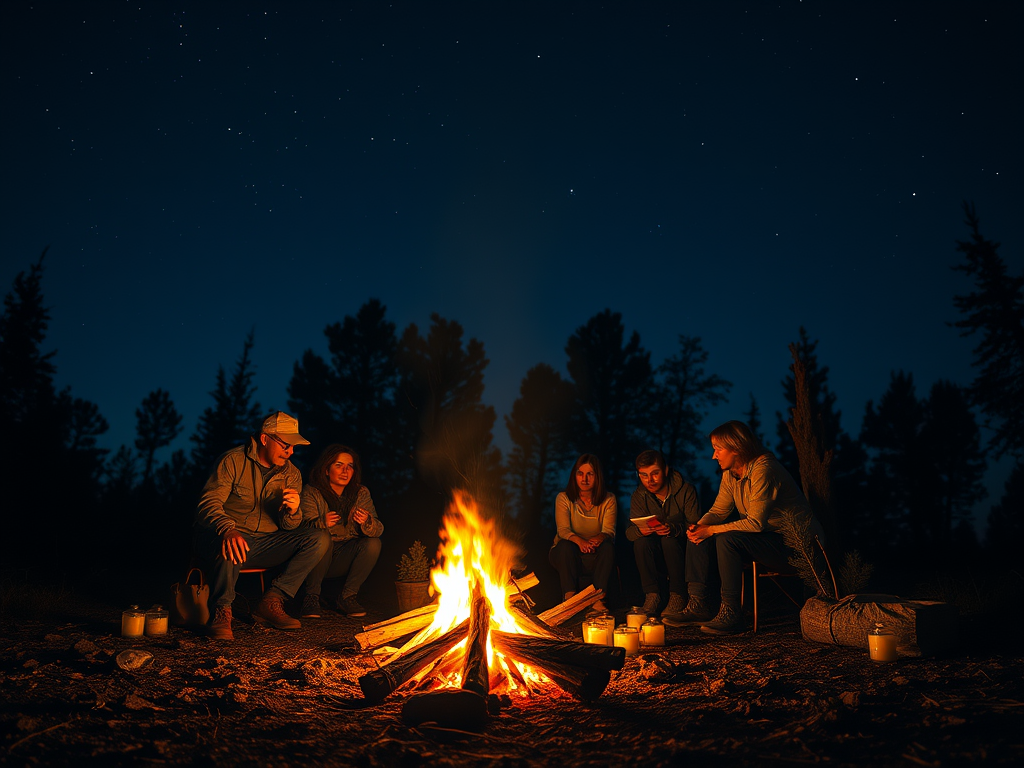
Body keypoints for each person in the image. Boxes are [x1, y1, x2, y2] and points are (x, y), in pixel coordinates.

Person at [194, 411, 331, 641]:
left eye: (294, 446)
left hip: (266, 543)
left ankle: (272, 601)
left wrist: (293, 511)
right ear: (265, 438)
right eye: (286, 444)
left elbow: (289, 528)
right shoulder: (233, 461)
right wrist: (228, 528)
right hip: (229, 537)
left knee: (319, 537)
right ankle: (222, 610)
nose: (291, 451)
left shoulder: (292, 474)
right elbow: (208, 503)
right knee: (232, 543)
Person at [686, 420, 824, 635]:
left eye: (718, 449)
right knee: (700, 534)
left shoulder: (764, 469)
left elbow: (756, 523)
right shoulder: (730, 473)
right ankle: (697, 602)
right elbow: (719, 510)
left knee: (726, 538)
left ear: (736, 448)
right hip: (768, 538)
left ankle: (731, 613)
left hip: (796, 544)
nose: (714, 456)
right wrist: (700, 526)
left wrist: (712, 530)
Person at [299, 444, 383, 618]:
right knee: (322, 538)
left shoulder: (360, 493)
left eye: (350, 466)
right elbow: (298, 531)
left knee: (373, 543)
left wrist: (367, 522)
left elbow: (378, 529)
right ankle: (311, 597)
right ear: (327, 470)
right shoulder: (312, 493)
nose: (345, 471)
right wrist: (321, 523)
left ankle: (347, 597)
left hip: (343, 556)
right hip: (315, 559)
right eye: (338, 465)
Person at [625, 449, 704, 623]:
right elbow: (629, 533)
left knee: (669, 541)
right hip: (656, 551)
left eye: (655, 474)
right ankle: (652, 595)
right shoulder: (640, 495)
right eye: (643, 475)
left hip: (682, 549)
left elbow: (696, 525)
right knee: (640, 543)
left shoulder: (685, 490)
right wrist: (641, 530)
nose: (649, 480)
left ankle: (677, 595)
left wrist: (673, 529)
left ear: (666, 470)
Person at [548, 454, 617, 613]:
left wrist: (599, 538)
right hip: (566, 553)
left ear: (597, 477)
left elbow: (609, 531)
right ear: (574, 476)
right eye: (580, 473)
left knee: (608, 547)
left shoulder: (609, 499)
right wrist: (580, 542)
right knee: (565, 545)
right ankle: (570, 599)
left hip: (595, 551)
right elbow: (563, 530)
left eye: (590, 474)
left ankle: (597, 599)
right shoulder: (564, 498)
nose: (584, 479)